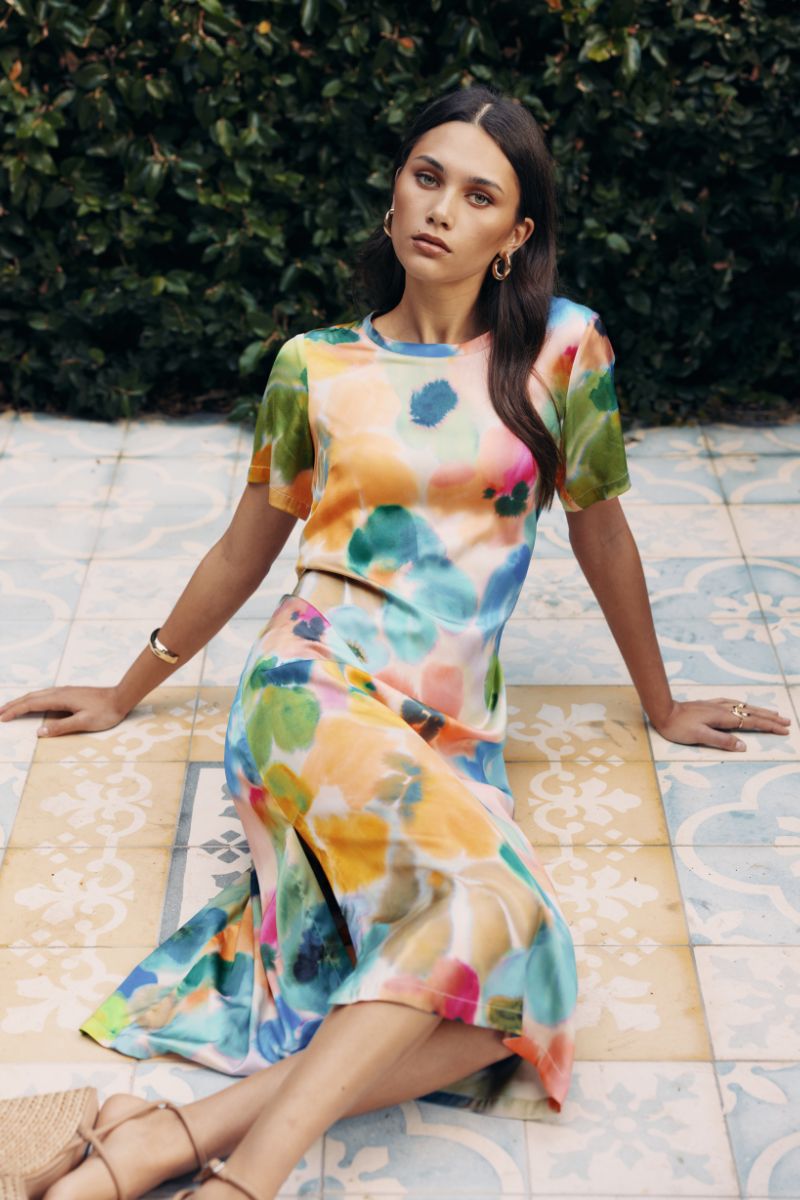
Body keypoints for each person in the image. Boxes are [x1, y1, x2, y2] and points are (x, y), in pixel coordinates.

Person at [0, 84, 791, 1200]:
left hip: (448, 727)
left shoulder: (563, 355)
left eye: (479, 197)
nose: (440, 211)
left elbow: (600, 530)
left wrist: (661, 705)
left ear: (513, 237)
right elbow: (244, 549)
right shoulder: (314, 366)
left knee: (520, 992)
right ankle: (245, 1181)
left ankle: (159, 1139)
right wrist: (131, 686)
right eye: (426, 177)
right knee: (490, 920)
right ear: (392, 195)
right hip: (310, 688)